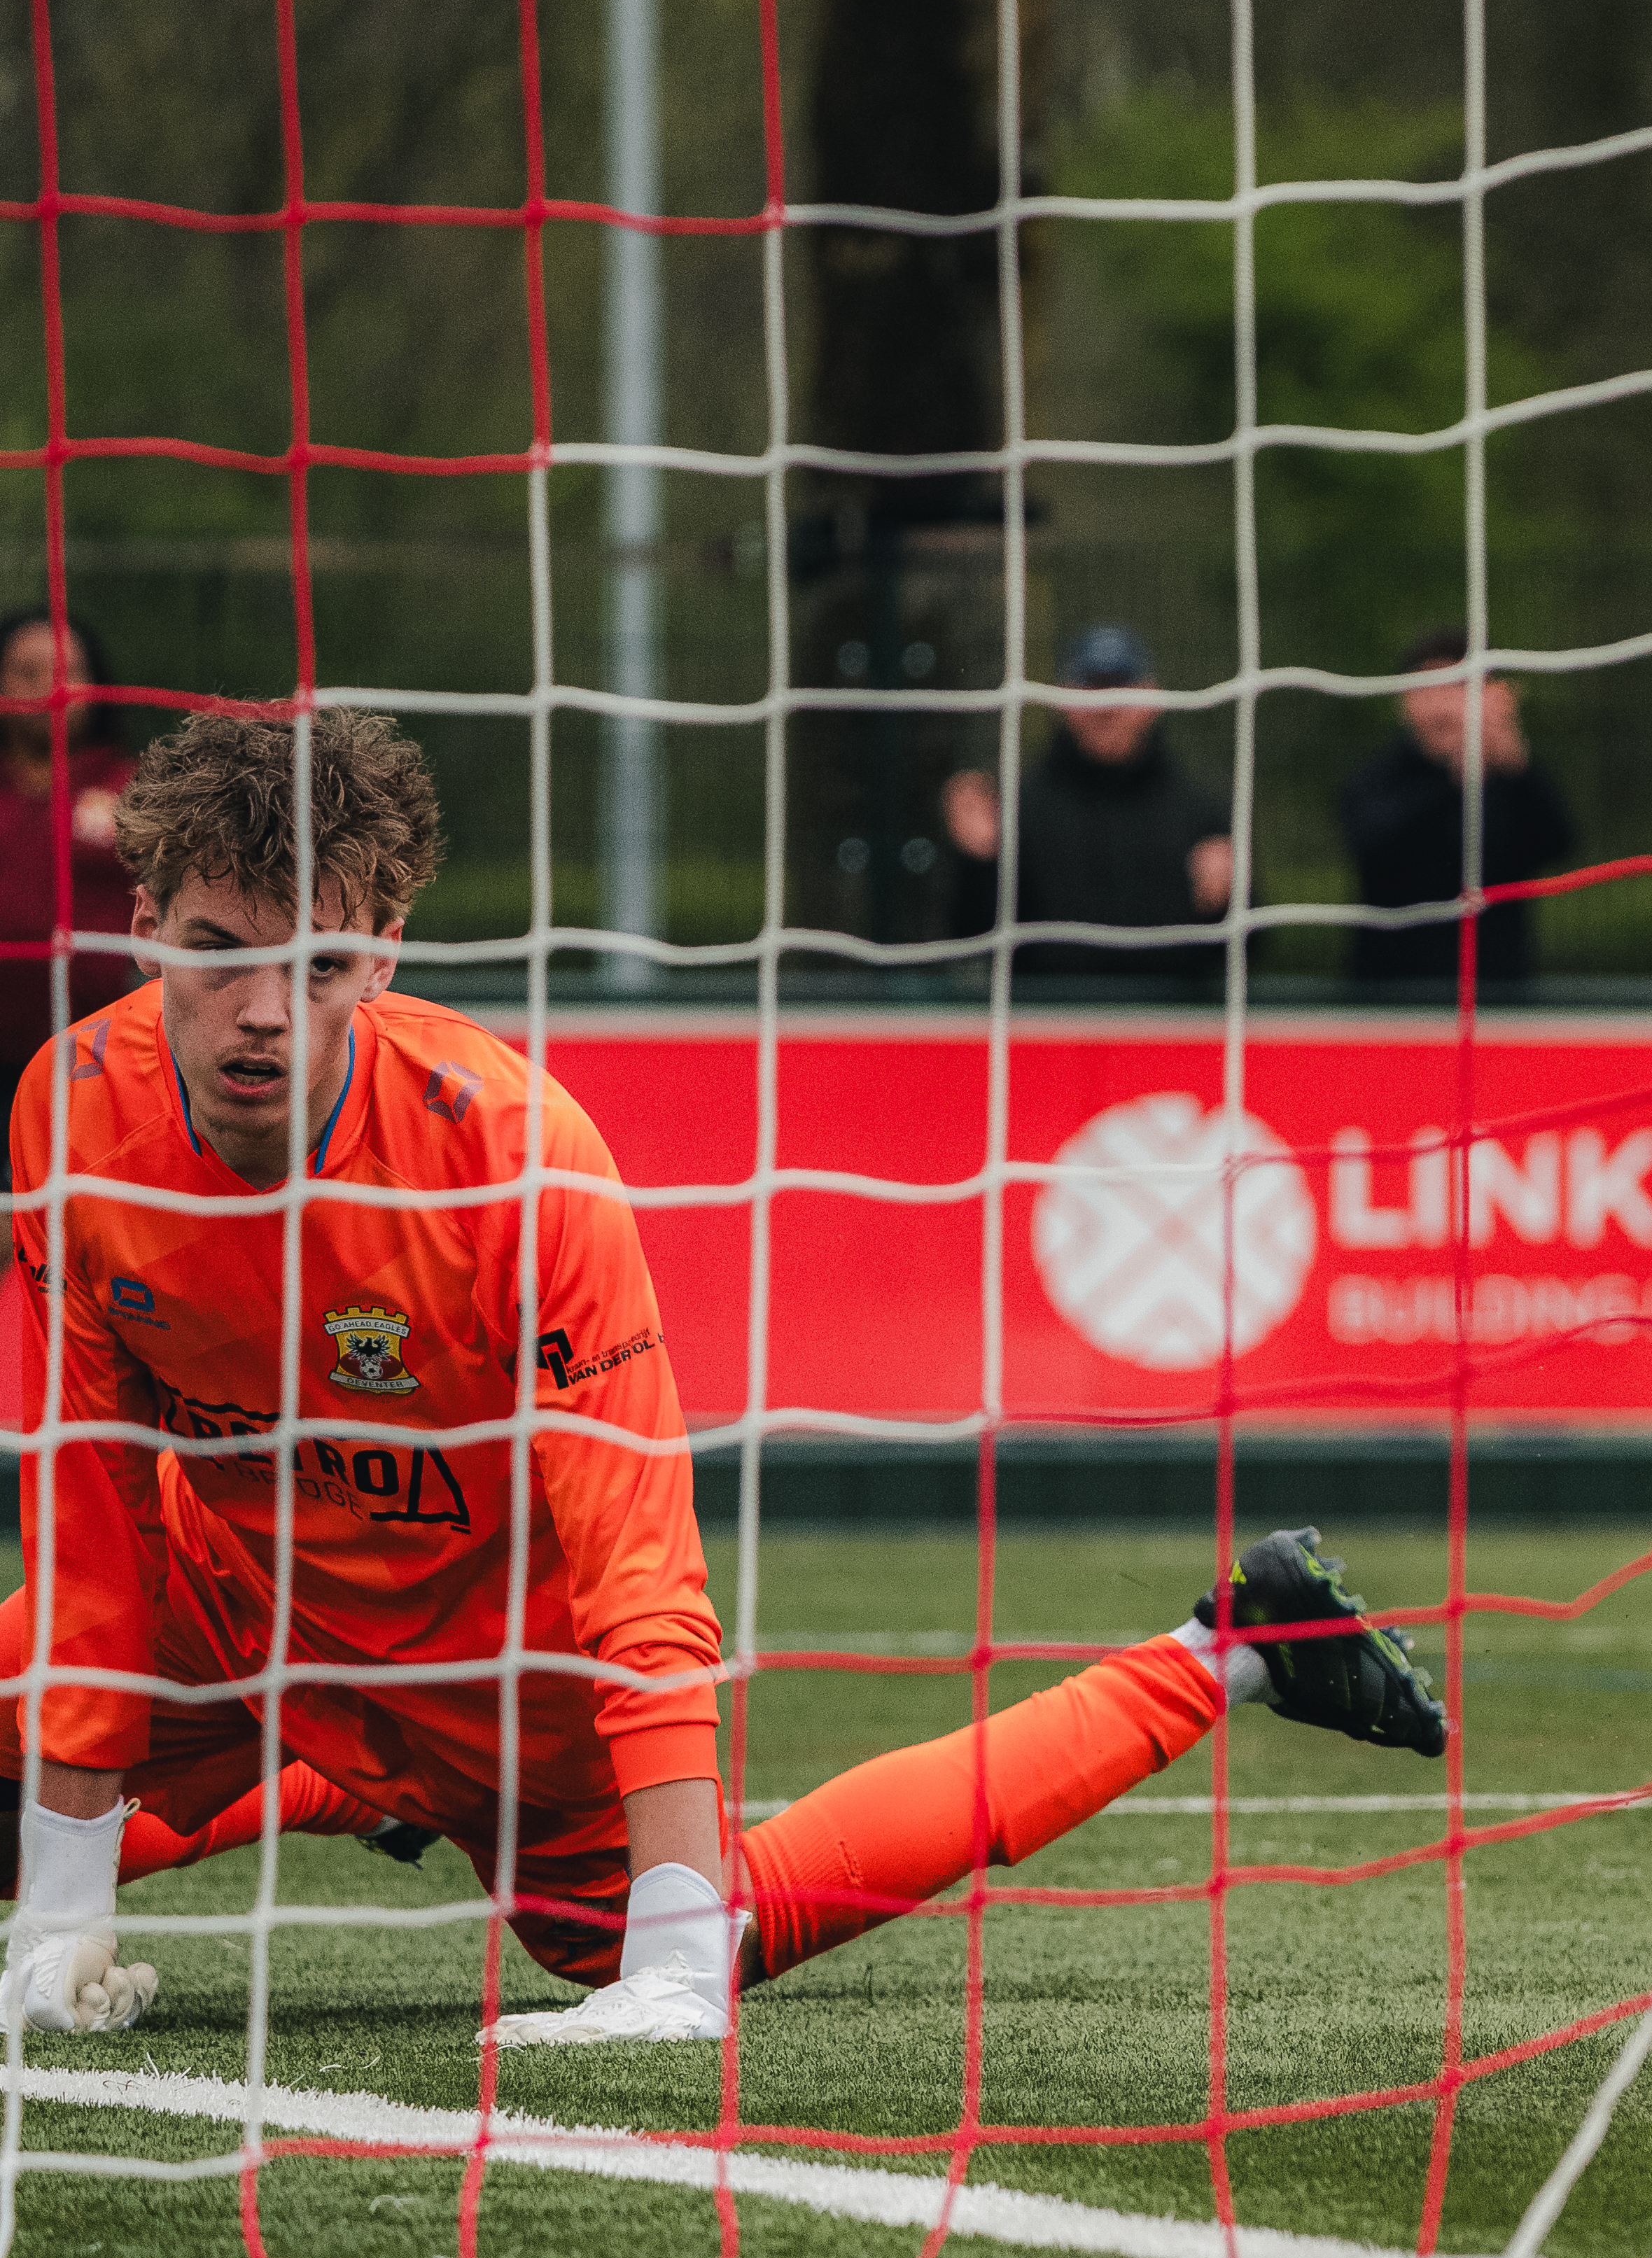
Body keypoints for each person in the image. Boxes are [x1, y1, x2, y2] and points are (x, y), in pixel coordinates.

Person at [2, 708, 1446, 2044]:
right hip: (234, 1587)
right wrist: (62, 1909)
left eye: (315, 963)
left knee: (693, 1924)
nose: (260, 1009)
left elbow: (636, 1554)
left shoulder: (516, 1158)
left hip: (496, 1658)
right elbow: (91, 1512)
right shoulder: (66, 1114)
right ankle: (344, 1781)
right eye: (216, 951)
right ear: (141, 931)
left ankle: (1227, 1649)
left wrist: (676, 1957)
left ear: (383, 955)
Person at [941, 622, 1237, 989]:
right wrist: (979, 864)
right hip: (1045, 1032)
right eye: (1092, 686)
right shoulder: (1016, 806)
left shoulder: (1200, 808)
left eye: (1120, 686)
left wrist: (1226, 899)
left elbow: (1249, 946)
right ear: (1063, 700)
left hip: (1169, 1031)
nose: (1105, 706)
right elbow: (970, 937)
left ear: (1153, 697)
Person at [1338, 624, 1579, 991]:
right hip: (1390, 995)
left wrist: (1518, 767)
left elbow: (1559, 845)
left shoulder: (1512, 778)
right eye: (1427, 689)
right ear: (1404, 700)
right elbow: (1371, 843)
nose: (1442, 704)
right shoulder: (1377, 776)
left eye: (1457, 687)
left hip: (1499, 990)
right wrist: (1454, 780)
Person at [0, 608, 141, 1096]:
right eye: (29, 672)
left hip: (91, 1055)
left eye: (68, 671)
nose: (51, 688)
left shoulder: (133, 787)